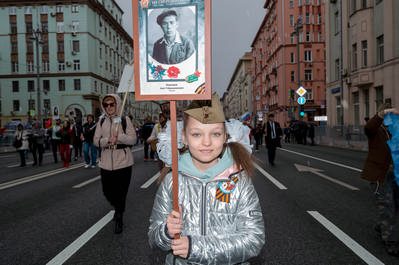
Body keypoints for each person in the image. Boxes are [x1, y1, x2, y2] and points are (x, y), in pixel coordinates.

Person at [148, 92, 265, 264]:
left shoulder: (239, 181)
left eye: (215, 134)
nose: (207, 142)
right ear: (184, 137)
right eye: (197, 134)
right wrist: (166, 232)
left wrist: (196, 248)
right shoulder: (172, 180)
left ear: (225, 136)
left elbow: (254, 240)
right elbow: (154, 237)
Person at [94, 94, 136, 234]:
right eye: (106, 105)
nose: (109, 107)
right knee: (107, 191)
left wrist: (120, 137)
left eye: (112, 104)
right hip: (106, 161)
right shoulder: (101, 121)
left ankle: (119, 217)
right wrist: (107, 140)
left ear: (117, 104)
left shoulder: (125, 119)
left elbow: (133, 140)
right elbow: (96, 141)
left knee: (121, 193)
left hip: (123, 161)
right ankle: (117, 207)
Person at [361, 103, 399, 256]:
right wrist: (384, 112)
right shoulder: (376, 130)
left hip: (396, 175)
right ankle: (391, 243)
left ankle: (382, 225)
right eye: (389, 116)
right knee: (388, 207)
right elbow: (369, 127)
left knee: (394, 206)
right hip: (380, 176)